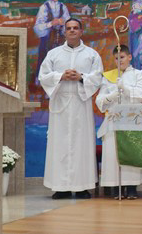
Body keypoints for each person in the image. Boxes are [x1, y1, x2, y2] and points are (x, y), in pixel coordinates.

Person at [38, 18, 103, 199]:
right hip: (61, 103)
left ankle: (82, 187)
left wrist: (81, 77)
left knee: (82, 144)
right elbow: (43, 76)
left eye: (75, 28)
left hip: (81, 103)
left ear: (81, 31)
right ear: (64, 32)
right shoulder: (54, 54)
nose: (72, 31)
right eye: (69, 28)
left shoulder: (91, 55)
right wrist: (61, 76)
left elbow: (98, 77)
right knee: (60, 145)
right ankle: (61, 187)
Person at [95, 45, 142, 200]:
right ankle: (115, 186)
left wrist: (125, 88)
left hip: (131, 119)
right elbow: (100, 100)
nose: (119, 61)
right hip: (113, 120)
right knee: (113, 153)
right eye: (117, 58)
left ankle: (131, 187)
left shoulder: (139, 74)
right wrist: (111, 96)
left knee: (130, 153)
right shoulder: (109, 76)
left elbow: (141, 95)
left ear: (129, 57)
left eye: (122, 57)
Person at [34, 0, 70, 84]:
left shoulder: (63, 7)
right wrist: (50, 24)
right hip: (46, 39)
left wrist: (64, 24)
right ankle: (40, 80)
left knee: (61, 59)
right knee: (44, 57)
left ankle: (59, 80)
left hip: (60, 38)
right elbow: (37, 27)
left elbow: (68, 22)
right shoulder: (44, 7)